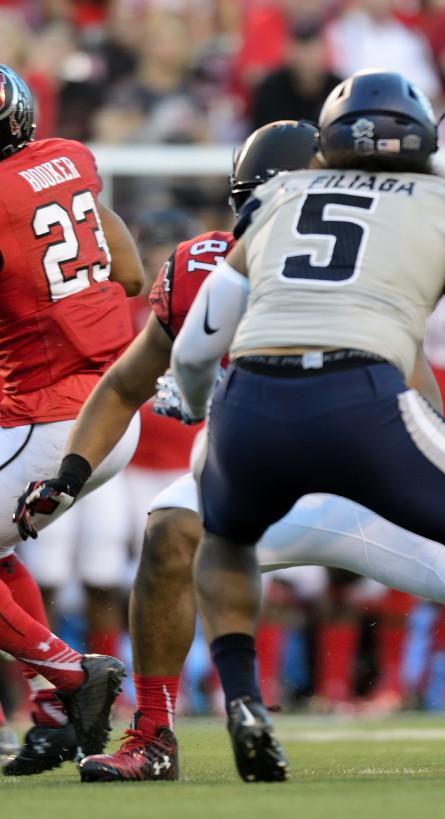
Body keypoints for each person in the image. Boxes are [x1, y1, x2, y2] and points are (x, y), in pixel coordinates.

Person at [35, 115, 445, 782]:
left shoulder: (362, 253)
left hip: (367, 480)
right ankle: (154, 733)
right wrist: (73, 469)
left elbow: (414, 384)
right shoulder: (212, 264)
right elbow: (129, 380)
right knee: (169, 532)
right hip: (263, 473)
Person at [0, 63, 144, 773]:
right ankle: (55, 715)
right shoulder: (70, 158)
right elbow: (132, 272)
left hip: (48, 419)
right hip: (111, 408)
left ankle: (67, 674)